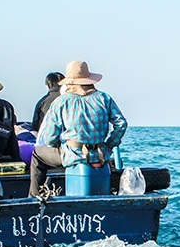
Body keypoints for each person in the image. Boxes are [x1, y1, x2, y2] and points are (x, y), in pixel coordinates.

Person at [29, 60, 127, 196]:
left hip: (73, 153)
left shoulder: (61, 102)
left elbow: (50, 138)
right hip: (100, 153)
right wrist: (110, 144)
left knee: (37, 155)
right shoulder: (104, 98)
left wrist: (58, 144)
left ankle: (34, 198)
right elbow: (121, 124)